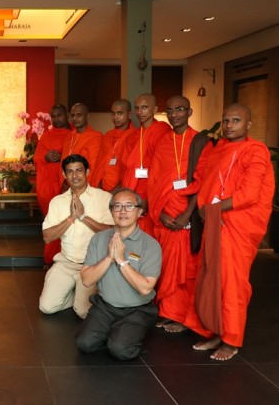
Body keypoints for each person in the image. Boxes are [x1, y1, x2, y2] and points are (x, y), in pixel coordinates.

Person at [184, 103, 274, 361]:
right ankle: (214, 330)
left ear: (248, 125)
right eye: (225, 120)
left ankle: (231, 340)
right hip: (214, 223)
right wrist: (205, 208)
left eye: (236, 120)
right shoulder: (219, 148)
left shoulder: (255, 151)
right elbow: (206, 182)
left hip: (237, 226)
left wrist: (214, 208)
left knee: (232, 283)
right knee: (211, 279)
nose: (229, 125)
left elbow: (249, 194)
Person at [76, 188, 162, 360]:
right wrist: (110, 257)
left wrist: (122, 260)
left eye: (129, 206)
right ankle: (117, 332)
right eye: (117, 206)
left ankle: (125, 336)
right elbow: (86, 280)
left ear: (139, 211)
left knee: (120, 350)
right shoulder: (99, 239)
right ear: (111, 211)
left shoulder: (150, 245)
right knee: (84, 344)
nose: (123, 211)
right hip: (106, 306)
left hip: (137, 308)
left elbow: (145, 289)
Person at [147, 96, 200, 333]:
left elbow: (205, 181)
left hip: (186, 215)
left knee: (185, 269)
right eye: (170, 110)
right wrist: (159, 213)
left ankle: (183, 318)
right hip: (165, 214)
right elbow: (154, 180)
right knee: (166, 267)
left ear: (189, 112)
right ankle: (168, 312)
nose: (174, 114)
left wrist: (187, 214)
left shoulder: (199, 141)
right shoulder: (164, 142)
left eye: (179, 109)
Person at [39, 154, 114, 318]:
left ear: (87, 172)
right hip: (66, 263)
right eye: (70, 172)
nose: (75, 176)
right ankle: (72, 293)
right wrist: (71, 218)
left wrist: (83, 217)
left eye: (79, 171)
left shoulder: (104, 198)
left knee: (83, 312)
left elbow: (112, 233)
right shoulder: (57, 201)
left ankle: (82, 296)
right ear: (64, 176)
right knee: (47, 307)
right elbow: (47, 237)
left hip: (92, 264)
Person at [120, 93, 172, 236]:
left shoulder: (162, 130)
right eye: (137, 108)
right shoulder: (133, 136)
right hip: (132, 191)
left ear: (154, 108)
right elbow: (125, 167)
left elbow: (163, 167)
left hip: (150, 191)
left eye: (144, 107)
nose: (140, 112)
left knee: (147, 234)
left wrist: (150, 198)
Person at [34, 104, 72, 267]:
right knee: (52, 220)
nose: (56, 119)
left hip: (64, 184)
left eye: (59, 115)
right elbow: (37, 158)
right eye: (53, 116)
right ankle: (51, 257)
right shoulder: (46, 136)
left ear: (66, 115)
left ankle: (63, 257)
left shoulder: (72, 135)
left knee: (65, 220)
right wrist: (47, 157)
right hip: (48, 185)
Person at [90, 99, 135, 191]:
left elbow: (129, 170)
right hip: (102, 189)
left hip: (121, 190)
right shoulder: (107, 135)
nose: (115, 117)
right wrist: (99, 188)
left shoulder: (134, 136)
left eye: (119, 113)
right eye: (113, 113)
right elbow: (99, 165)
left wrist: (115, 192)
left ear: (129, 115)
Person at [61, 103, 103, 188]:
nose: (75, 119)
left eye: (79, 115)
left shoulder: (96, 136)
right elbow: (62, 162)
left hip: (85, 185)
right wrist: (64, 182)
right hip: (67, 184)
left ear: (87, 116)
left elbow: (93, 166)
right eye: (72, 115)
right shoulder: (69, 136)